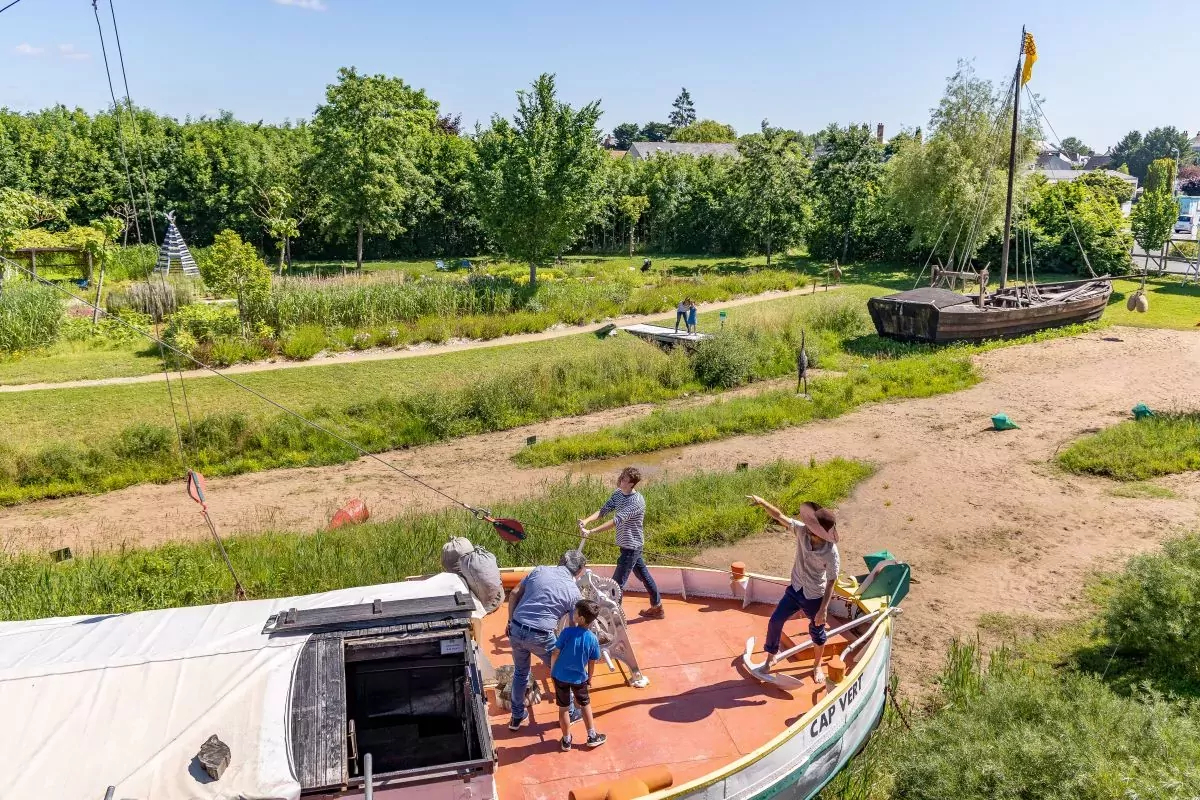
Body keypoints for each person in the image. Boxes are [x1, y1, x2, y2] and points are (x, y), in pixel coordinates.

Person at [745, 496, 841, 683]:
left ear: (824, 534)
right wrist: (763, 503)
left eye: (815, 531)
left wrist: (823, 609)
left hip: (814, 595)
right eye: (811, 528)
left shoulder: (831, 552)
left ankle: (816, 665)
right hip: (796, 589)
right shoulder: (802, 531)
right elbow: (780, 516)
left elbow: (832, 580)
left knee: (818, 633)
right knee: (775, 621)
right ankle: (771, 656)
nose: (810, 532)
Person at [506, 549, 587, 731]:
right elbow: (575, 626)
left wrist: (511, 621)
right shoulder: (574, 593)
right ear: (579, 570)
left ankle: (517, 716)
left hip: (516, 628)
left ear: (561, 560)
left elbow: (514, 594)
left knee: (520, 673)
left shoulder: (540, 570)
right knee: (562, 671)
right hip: (541, 635)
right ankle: (571, 712)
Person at [579, 467, 664, 619]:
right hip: (626, 545)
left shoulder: (636, 502)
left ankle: (613, 619)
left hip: (631, 546)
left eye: (624, 479)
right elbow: (604, 510)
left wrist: (592, 532)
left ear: (632, 484)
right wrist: (586, 520)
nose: (620, 480)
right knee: (643, 576)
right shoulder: (618, 493)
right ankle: (657, 607)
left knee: (616, 585)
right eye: (621, 477)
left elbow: (615, 521)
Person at [550, 599, 607, 751]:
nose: (573, 613)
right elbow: (592, 661)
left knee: (563, 708)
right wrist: (590, 678)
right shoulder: (592, 639)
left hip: (560, 675)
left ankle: (566, 740)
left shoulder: (567, 632)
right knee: (585, 704)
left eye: (575, 612)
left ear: (581, 618)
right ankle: (591, 735)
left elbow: (556, 652)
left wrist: (552, 670)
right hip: (579, 678)